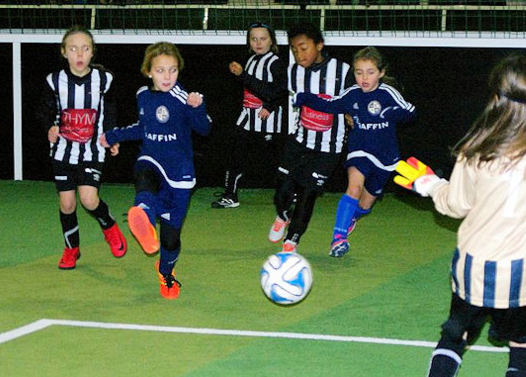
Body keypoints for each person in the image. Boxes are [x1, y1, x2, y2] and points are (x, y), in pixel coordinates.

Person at [394, 55, 526, 377]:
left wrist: (428, 183)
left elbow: (455, 205)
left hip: (475, 266)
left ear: (496, 99)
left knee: (454, 337)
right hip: (522, 269)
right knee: (523, 343)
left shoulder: (474, 154)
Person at [100, 41, 212, 300]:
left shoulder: (184, 97)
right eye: (160, 70)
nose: (167, 76)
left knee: (171, 239)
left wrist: (198, 107)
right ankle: (145, 220)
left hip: (180, 173)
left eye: (172, 70)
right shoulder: (143, 95)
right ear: (148, 71)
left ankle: (166, 273)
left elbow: (204, 129)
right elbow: (142, 127)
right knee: (144, 176)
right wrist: (113, 135)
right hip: (151, 158)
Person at [293, 46, 416, 257]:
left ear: (381, 73)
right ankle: (338, 239)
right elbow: (330, 104)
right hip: (359, 150)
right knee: (353, 189)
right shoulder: (352, 95)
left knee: (366, 204)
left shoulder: (388, 93)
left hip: (386, 157)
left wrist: (392, 113)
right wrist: (306, 98)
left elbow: (410, 112)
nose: (364, 78)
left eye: (370, 72)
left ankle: (353, 217)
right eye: (359, 72)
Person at [37, 25, 127, 270]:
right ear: (64, 52)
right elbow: (44, 111)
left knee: (88, 199)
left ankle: (109, 225)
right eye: (73, 49)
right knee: (67, 203)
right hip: (63, 151)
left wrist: (112, 136)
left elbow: (110, 111)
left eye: (85, 49)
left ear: (92, 53)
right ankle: (71, 249)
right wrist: (50, 127)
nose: (79, 54)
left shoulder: (104, 80)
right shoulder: (54, 81)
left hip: (92, 150)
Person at [268, 22, 354, 253]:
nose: (299, 54)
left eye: (304, 48)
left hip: (328, 147)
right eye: (294, 49)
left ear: (319, 45)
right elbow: (273, 92)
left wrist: (350, 113)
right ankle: (282, 215)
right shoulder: (293, 72)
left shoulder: (343, 71)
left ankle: (292, 240)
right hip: (299, 140)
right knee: (281, 191)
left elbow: (354, 99)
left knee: (308, 194)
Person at [211, 21, 288, 209]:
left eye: (263, 38)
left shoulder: (275, 63)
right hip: (247, 118)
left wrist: (269, 106)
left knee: (277, 161)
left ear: (272, 41)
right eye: (254, 39)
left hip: (268, 122)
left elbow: (280, 91)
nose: (258, 42)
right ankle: (231, 194)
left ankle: (289, 193)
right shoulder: (252, 60)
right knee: (235, 154)